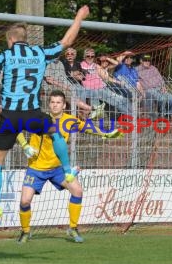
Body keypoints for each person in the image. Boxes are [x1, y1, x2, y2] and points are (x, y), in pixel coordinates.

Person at [0, 5, 90, 227]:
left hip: (9, 115)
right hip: (32, 113)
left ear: (10, 40)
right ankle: (67, 171)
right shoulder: (39, 53)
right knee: (55, 133)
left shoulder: (7, 55)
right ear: (25, 39)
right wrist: (79, 17)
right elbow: (66, 42)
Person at [15, 90, 122, 244]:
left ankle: (73, 228)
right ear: (49, 104)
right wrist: (25, 145)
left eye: (58, 102)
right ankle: (25, 232)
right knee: (25, 201)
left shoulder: (69, 120)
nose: (55, 105)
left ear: (64, 105)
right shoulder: (39, 119)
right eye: (52, 102)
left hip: (58, 169)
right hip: (36, 168)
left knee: (77, 190)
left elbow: (87, 127)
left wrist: (105, 134)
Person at [136, 54, 172, 120]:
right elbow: (136, 82)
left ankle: (168, 115)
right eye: (145, 60)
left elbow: (161, 79)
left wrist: (163, 87)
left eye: (149, 60)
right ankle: (161, 115)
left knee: (171, 98)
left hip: (159, 88)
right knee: (162, 99)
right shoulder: (137, 70)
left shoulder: (153, 68)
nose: (148, 62)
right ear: (141, 61)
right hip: (149, 89)